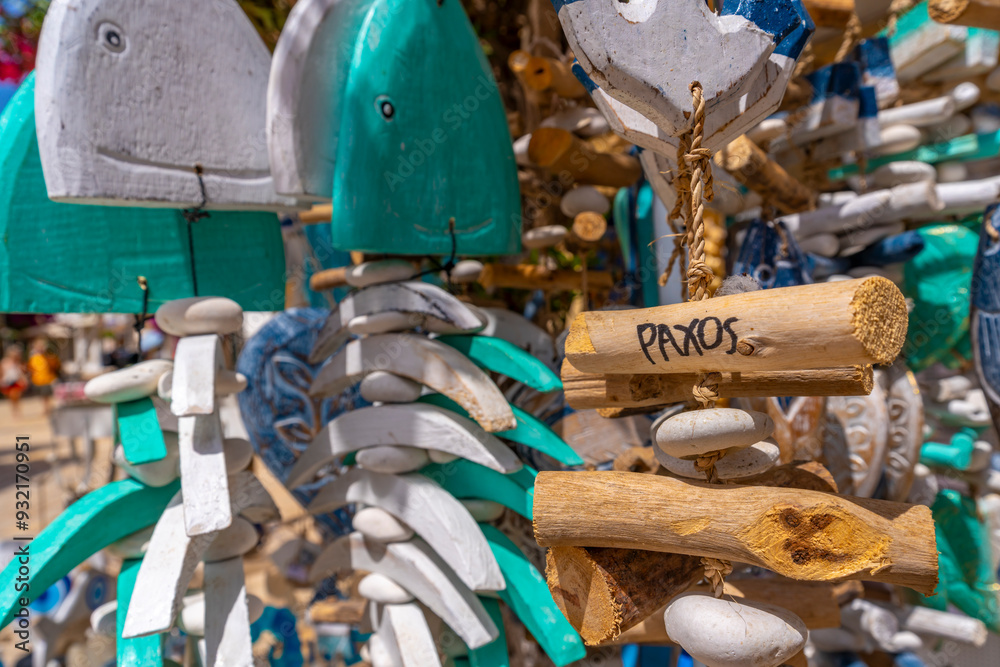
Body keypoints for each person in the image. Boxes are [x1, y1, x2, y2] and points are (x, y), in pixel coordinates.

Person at [28, 338, 60, 415]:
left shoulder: (49, 357)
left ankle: (47, 408)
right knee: (43, 396)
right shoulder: (33, 358)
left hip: (48, 379)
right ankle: (46, 408)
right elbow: (31, 369)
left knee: (47, 395)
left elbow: (56, 366)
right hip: (38, 380)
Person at [1, 346, 28, 419]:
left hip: (16, 381)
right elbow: (2, 372)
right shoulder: (4, 362)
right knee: (12, 398)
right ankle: (15, 410)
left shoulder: (18, 363)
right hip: (7, 382)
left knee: (16, 395)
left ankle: (17, 411)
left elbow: (21, 373)